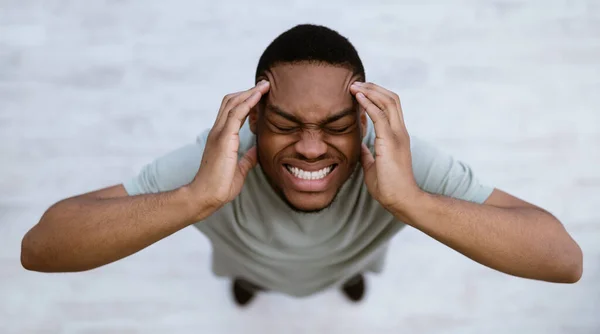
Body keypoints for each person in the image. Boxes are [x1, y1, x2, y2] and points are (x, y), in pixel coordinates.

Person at [21, 24, 583, 307]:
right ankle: (252, 280)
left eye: (336, 126)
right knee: (247, 273)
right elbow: (40, 249)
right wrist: (196, 197)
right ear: (255, 119)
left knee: (347, 269)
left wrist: (409, 199)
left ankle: (347, 274)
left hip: (346, 257)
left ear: (363, 120)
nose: (312, 149)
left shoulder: (394, 153)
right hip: (250, 258)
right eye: (287, 125)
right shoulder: (217, 153)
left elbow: (563, 260)